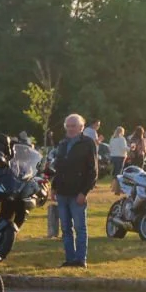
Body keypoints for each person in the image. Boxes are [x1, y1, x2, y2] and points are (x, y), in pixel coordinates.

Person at [51, 112, 98, 267]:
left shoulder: (88, 143)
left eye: (73, 126)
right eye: (68, 126)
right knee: (65, 228)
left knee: (80, 228)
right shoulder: (63, 144)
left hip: (77, 193)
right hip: (62, 192)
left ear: (81, 127)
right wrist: (54, 187)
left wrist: (84, 192)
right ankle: (70, 259)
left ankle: (80, 259)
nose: (70, 129)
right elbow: (58, 167)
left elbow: (93, 171)